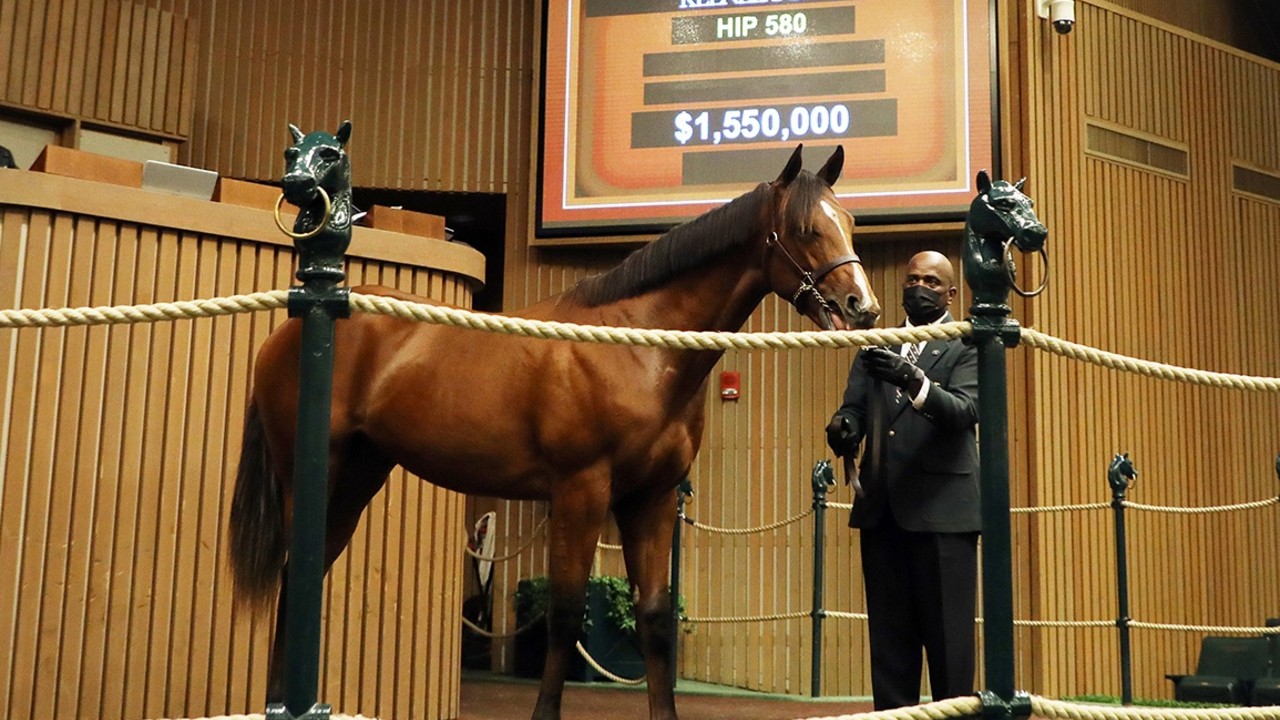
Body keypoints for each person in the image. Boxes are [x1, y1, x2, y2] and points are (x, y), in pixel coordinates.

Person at [825, 250, 980, 710]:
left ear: (952, 293)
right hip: (883, 513)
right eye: (912, 279)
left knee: (950, 649)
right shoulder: (880, 342)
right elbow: (854, 407)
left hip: (943, 513)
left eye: (931, 282)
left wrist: (914, 381)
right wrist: (844, 427)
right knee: (890, 647)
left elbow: (965, 411)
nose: (919, 287)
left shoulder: (967, 342)